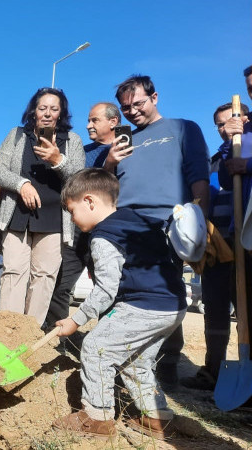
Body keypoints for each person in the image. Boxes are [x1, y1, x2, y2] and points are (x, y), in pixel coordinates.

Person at [53, 168, 187, 440]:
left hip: (142, 305)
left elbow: (105, 290)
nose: (72, 218)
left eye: (72, 210)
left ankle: (97, 417)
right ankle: (156, 417)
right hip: (173, 305)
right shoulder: (138, 221)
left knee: (95, 348)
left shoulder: (104, 236)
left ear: (89, 201)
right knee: (136, 361)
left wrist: (75, 320)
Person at [111, 74, 210, 389]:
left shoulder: (183, 128)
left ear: (154, 98)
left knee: (166, 293)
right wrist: (110, 162)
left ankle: (166, 364)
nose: (132, 111)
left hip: (167, 222)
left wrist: (201, 218)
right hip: (125, 223)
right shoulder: (124, 140)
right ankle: (124, 359)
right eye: (126, 108)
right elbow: (106, 184)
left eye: (138, 103)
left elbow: (198, 174)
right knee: (124, 293)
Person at [0, 88, 85, 325]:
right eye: (42, 108)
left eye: (54, 109)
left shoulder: (72, 141)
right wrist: (21, 184)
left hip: (54, 221)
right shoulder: (17, 135)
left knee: (44, 277)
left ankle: (30, 333)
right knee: (13, 273)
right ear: (33, 111)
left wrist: (58, 160)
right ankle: (8, 330)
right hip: (17, 217)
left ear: (61, 113)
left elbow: (79, 180)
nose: (47, 114)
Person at [181, 98, 252, 390]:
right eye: (219, 125)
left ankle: (247, 374)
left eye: (229, 122)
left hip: (245, 242)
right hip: (217, 245)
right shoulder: (214, 161)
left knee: (247, 309)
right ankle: (212, 371)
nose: (224, 128)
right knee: (215, 308)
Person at [43, 102, 121, 331]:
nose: (88, 125)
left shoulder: (130, 152)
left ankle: (108, 337)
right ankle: (59, 337)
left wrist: (113, 163)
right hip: (77, 231)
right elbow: (75, 185)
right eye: (88, 120)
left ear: (113, 122)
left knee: (108, 286)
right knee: (61, 284)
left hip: (111, 231)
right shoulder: (83, 153)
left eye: (94, 120)